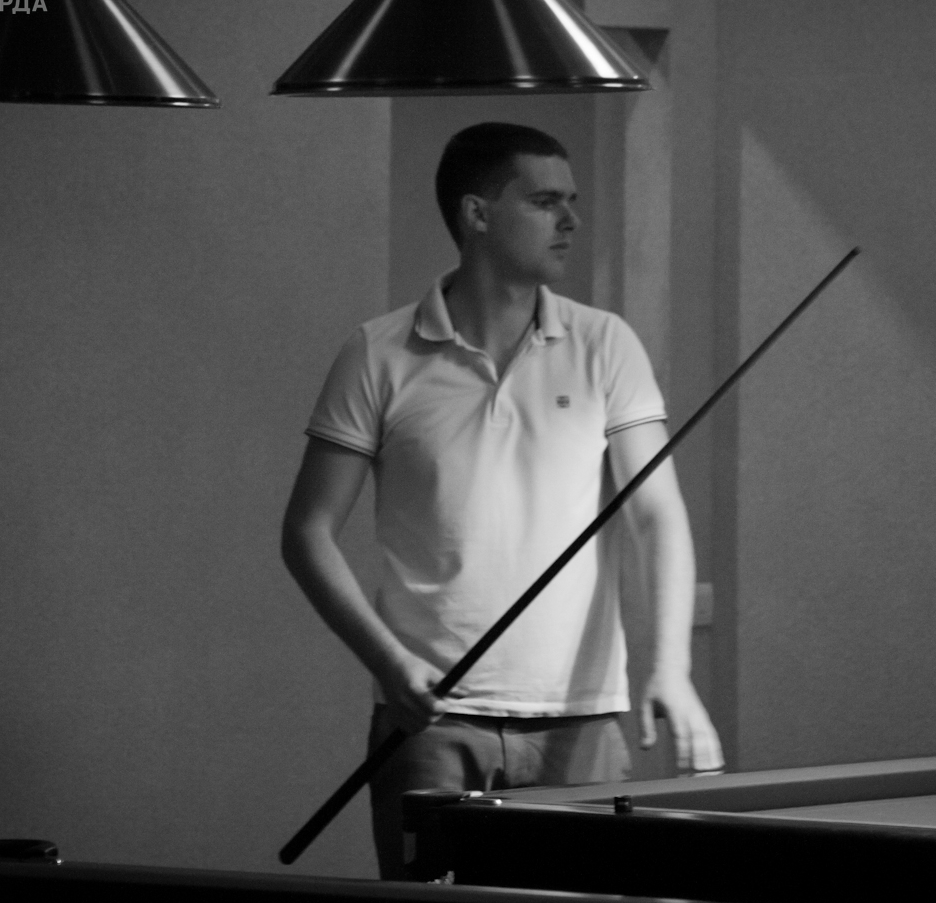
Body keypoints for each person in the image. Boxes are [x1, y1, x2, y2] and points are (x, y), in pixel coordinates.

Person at [281, 122, 723, 879]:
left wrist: (671, 669)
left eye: (571, 200)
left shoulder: (605, 344)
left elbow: (658, 515)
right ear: (477, 214)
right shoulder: (378, 353)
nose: (571, 220)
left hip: (580, 717)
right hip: (430, 719)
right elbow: (307, 532)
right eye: (546, 201)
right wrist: (388, 663)